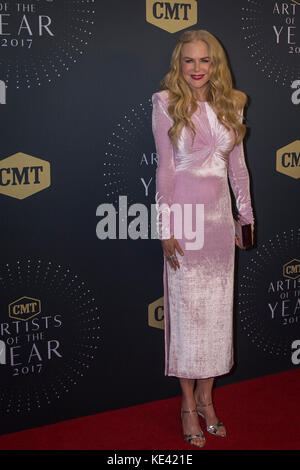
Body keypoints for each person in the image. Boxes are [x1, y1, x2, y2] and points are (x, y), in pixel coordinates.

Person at [151, 29, 255, 449]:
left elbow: (239, 170)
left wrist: (244, 220)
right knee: (187, 318)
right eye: (189, 61)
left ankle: (207, 400)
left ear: (216, 64)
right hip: (186, 222)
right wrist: (164, 226)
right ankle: (186, 404)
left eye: (204, 60)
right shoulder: (165, 104)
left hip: (218, 225)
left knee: (215, 318)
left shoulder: (233, 105)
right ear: (180, 64)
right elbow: (165, 170)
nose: (196, 69)